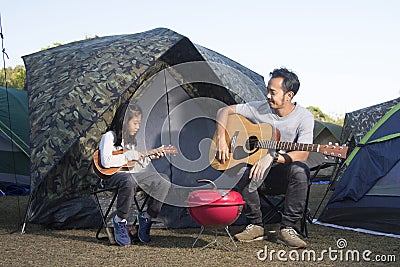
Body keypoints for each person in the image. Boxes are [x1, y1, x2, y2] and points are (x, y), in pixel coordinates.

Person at [215, 68, 313, 249]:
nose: (267, 95)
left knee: (300, 170)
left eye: (273, 92)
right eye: (267, 90)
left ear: (289, 95)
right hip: (258, 175)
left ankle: (288, 228)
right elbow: (223, 111)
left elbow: (303, 154)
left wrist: (273, 157)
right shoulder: (258, 108)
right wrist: (222, 139)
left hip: (282, 176)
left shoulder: (304, 117)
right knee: (241, 169)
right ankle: (255, 225)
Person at [98, 102, 171, 246]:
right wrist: (130, 155)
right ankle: (120, 221)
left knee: (163, 180)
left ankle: (147, 218)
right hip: (111, 177)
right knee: (129, 179)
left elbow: (136, 166)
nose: (138, 127)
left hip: (130, 176)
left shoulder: (132, 140)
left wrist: (150, 157)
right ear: (124, 121)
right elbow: (106, 162)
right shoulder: (109, 137)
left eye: (139, 123)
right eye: (135, 123)